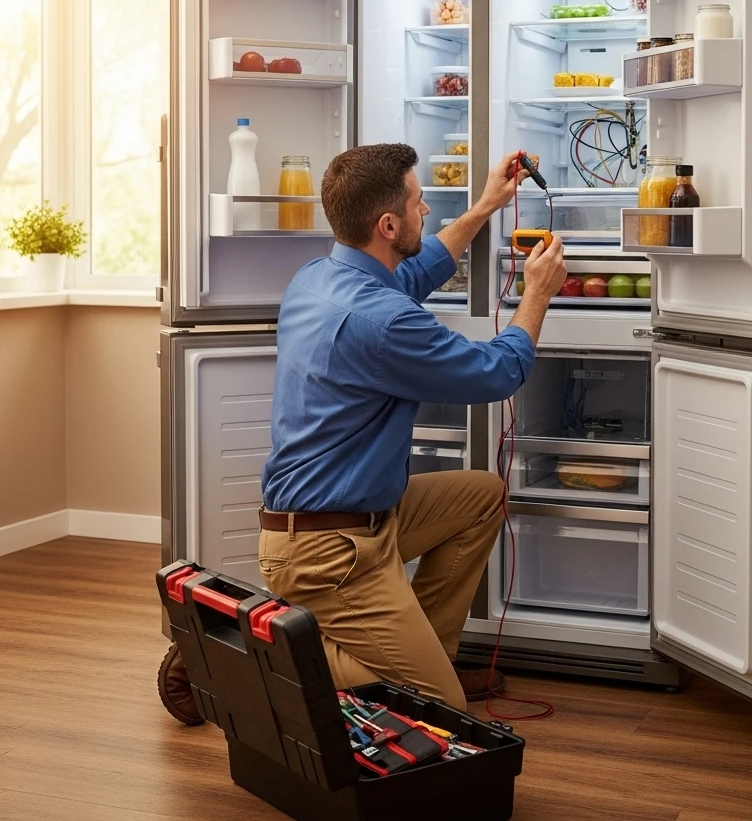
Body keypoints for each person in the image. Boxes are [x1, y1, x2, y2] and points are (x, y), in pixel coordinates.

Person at [157, 143, 565, 723]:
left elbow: (418, 269)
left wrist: (483, 207)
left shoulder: (318, 278)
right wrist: (537, 294)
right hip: (330, 551)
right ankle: (233, 655)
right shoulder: (384, 321)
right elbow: (498, 372)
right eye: (419, 203)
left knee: (481, 496)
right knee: (439, 709)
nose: (427, 211)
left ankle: (428, 658)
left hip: (353, 520)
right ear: (388, 225)